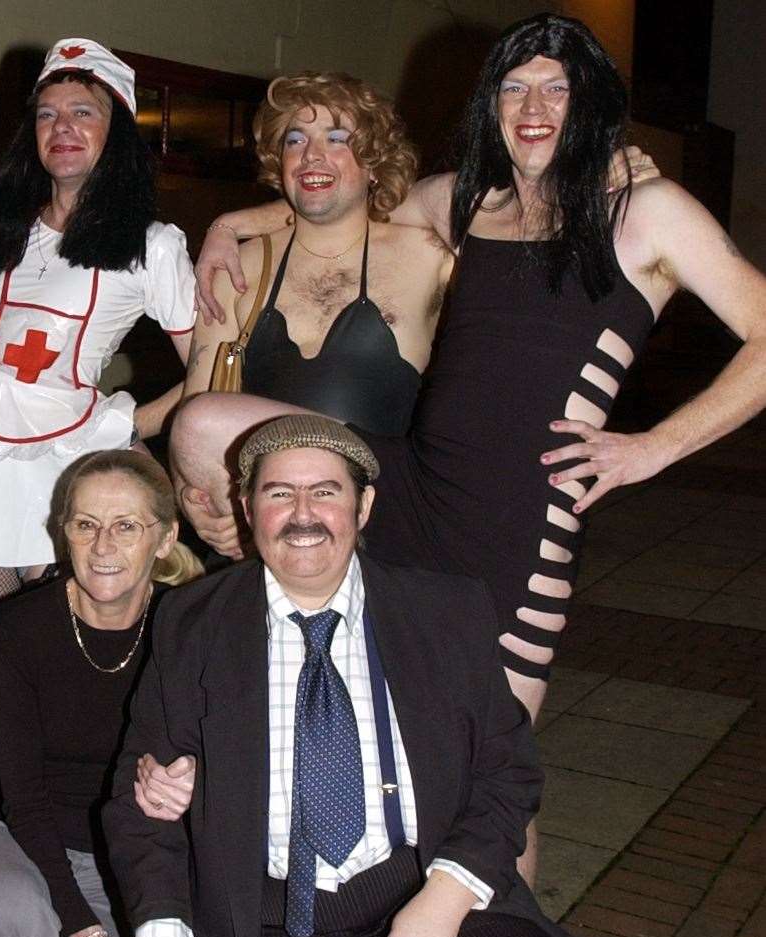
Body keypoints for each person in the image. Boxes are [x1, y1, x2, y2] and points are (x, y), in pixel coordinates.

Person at [174, 13, 766, 733]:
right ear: (492, 106)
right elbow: (343, 200)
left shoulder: (647, 211)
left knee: (489, 787)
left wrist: (655, 446)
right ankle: (245, 553)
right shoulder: (468, 203)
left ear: (593, 104)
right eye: (515, 89)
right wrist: (227, 226)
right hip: (411, 484)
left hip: (517, 524)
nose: (535, 108)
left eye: (558, 89)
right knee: (204, 423)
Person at [105, 415, 636, 937]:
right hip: (284, 921)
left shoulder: (442, 610)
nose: (302, 515)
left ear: (364, 505)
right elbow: (138, 792)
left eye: (324, 492)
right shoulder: (194, 621)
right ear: (246, 510)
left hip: (428, 879)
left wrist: (446, 894)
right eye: (277, 494)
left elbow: (506, 768)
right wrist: (162, 928)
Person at [0, 38, 196, 653]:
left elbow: (214, 368)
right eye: (47, 114)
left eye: (82, 112)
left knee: (65, 660)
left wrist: (123, 429)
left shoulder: (153, 245)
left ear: (116, 131)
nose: (62, 127)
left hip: (69, 469)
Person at [0, 450, 200, 937]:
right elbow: (20, 794)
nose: (103, 545)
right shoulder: (13, 627)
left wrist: (196, 773)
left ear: (165, 536)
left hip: (130, 853)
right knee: (2, 910)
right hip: (19, 833)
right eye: (85, 525)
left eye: (127, 526)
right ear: (62, 532)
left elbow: (234, 746)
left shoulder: (192, 627)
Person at [173, 73, 449, 550]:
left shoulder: (429, 254)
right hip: (279, 529)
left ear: (375, 161)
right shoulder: (238, 266)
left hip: (389, 524)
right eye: (295, 140)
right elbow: (196, 409)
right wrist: (195, 500)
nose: (311, 155)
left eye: (337, 138)